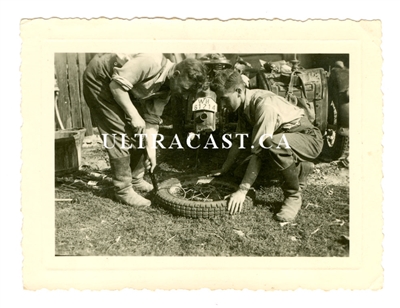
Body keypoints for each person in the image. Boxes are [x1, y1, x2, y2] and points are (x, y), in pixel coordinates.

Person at [83, 53, 207, 207]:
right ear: (176, 74)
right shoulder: (151, 62)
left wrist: (152, 153)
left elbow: (151, 122)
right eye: (184, 88)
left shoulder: (167, 88)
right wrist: (134, 115)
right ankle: (123, 189)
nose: (183, 94)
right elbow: (116, 86)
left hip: (119, 86)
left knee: (140, 130)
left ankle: (135, 178)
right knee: (118, 132)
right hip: (100, 78)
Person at [209, 69, 323, 222]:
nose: (222, 105)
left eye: (224, 98)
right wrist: (224, 169)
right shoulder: (244, 104)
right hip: (284, 140)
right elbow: (238, 141)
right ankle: (300, 167)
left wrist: (242, 191)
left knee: (271, 144)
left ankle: (293, 196)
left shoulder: (264, 106)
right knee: (239, 172)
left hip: (308, 138)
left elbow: (259, 150)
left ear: (238, 91)